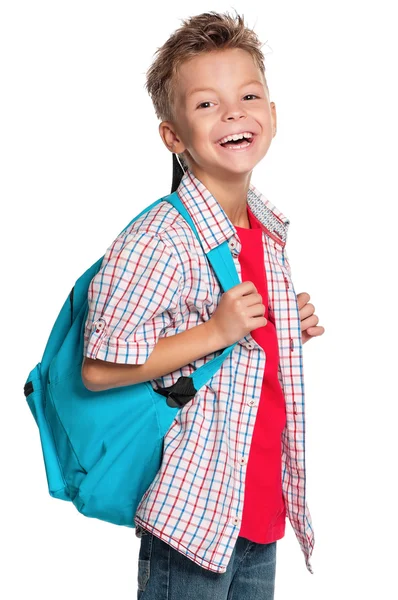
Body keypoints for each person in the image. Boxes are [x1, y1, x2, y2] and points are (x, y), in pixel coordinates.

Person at [81, 9, 325, 600]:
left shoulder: (265, 231)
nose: (234, 112)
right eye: (206, 104)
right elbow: (98, 367)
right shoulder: (160, 236)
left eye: (247, 95)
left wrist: (284, 324)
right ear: (173, 136)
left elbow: (241, 360)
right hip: (194, 514)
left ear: (272, 114)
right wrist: (217, 330)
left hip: (261, 506)